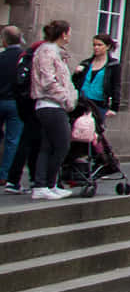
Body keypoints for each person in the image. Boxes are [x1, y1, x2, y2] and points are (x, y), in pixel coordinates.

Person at [29, 21, 76, 200]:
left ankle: (47, 184)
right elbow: (48, 80)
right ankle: (45, 184)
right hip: (51, 105)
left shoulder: (53, 52)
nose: (70, 36)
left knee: (48, 146)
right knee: (62, 145)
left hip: (52, 105)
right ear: (63, 34)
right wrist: (66, 97)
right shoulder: (48, 51)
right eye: (69, 32)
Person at [0, 26, 25, 193]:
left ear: (4, 40)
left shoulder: (1, 57)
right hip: (16, 102)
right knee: (12, 140)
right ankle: (4, 174)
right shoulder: (23, 57)